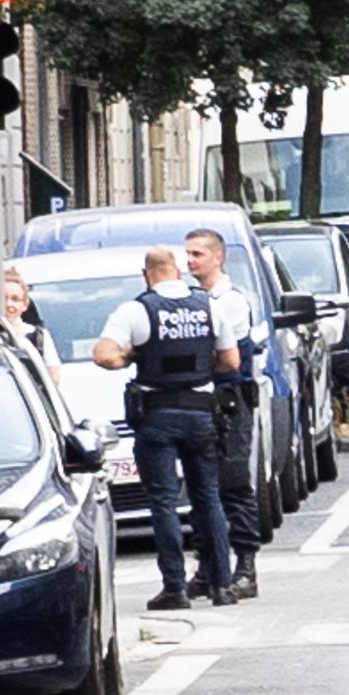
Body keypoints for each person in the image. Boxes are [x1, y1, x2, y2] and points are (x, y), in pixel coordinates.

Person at [92, 247, 241, 611]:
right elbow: (231, 361)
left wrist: (132, 355)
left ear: (147, 275)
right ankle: (223, 583)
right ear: (177, 272)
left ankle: (175, 587)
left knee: (163, 502)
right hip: (201, 414)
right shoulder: (209, 306)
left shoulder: (137, 310)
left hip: (157, 416)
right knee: (207, 498)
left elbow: (103, 355)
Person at [185, 228, 262, 600]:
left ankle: (245, 566)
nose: (190, 261)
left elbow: (222, 360)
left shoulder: (229, 301)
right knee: (202, 487)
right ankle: (208, 567)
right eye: (188, 254)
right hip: (202, 403)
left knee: (233, 485)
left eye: (198, 254)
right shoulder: (194, 300)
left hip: (230, 403)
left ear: (218, 258)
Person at [3, 268, 59, 383]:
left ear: (25, 304)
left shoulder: (39, 337)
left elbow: (53, 378)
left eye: (15, 299)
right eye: (3, 299)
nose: (8, 304)